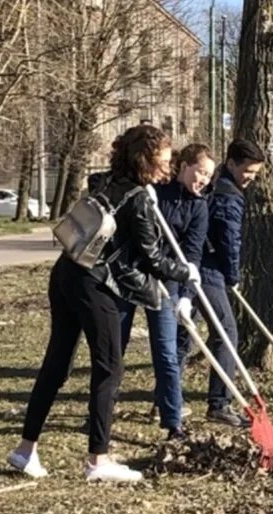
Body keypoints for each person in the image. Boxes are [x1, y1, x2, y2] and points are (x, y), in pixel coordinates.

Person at [7, 125, 200, 482]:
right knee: (109, 367)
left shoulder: (103, 182)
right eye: (163, 162)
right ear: (144, 160)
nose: (167, 169)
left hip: (66, 272)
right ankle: (99, 460)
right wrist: (186, 271)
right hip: (94, 285)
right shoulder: (139, 199)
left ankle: (25, 450)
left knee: (57, 364)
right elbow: (153, 259)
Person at [119, 144, 214, 441]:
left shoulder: (199, 206)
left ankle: (172, 421)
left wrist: (186, 295)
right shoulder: (156, 191)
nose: (204, 180)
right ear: (183, 166)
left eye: (209, 176)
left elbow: (192, 253)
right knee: (113, 348)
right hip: (133, 275)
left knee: (166, 351)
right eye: (200, 171)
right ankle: (99, 412)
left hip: (169, 282)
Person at [177, 139, 265, 427]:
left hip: (190, 263)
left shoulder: (212, 184)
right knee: (226, 332)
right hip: (208, 269)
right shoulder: (229, 196)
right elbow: (229, 240)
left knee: (184, 332)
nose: (250, 179)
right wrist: (233, 275)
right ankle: (219, 403)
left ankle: (168, 399)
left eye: (255, 174)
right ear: (230, 164)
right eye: (247, 172)